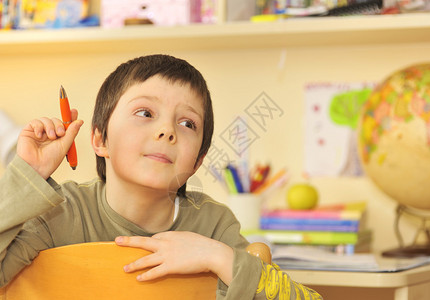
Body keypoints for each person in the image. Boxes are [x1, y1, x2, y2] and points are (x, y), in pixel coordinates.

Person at [0, 54, 322, 300]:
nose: (167, 131)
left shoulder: (213, 226)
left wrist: (218, 256)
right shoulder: (59, 213)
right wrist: (29, 174)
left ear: (196, 162)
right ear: (100, 140)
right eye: (145, 113)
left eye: (187, 124)